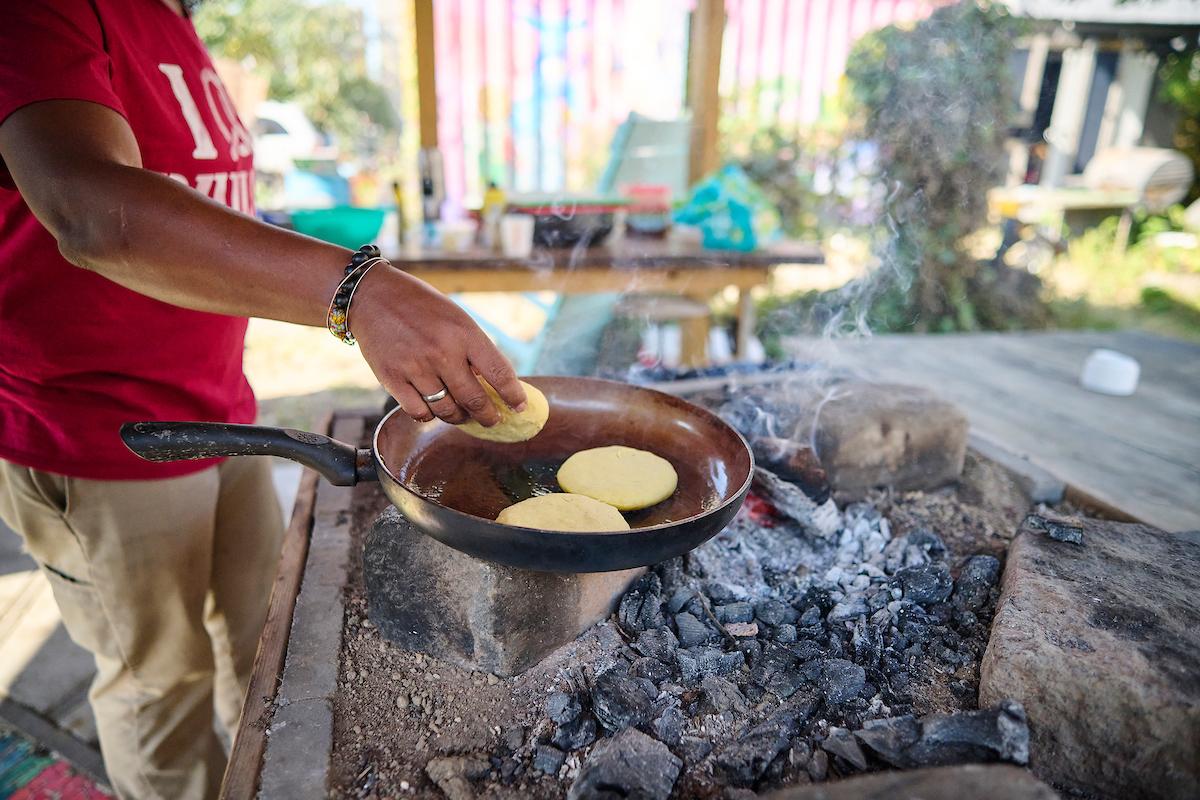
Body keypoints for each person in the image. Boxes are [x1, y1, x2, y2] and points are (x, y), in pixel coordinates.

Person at [0, 2, 525, 798]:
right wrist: (361, 293)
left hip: (222, 407)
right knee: (158, 688)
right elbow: (87, 211)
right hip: (104, 429)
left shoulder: (169, 17)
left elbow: (195, 203)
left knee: (262, 643)